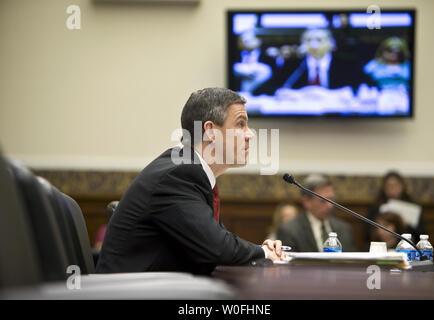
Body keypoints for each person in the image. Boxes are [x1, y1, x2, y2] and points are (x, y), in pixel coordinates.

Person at [96, 88, 285, 275]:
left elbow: (214, 240)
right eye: (240, 124)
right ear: (211, 131)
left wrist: (259, 249)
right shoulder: (177, 174)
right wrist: (262, 252)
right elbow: (216, 247)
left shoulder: (188, 168)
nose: (249, 134)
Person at [276, 174, 355, 252]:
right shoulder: (289, 230)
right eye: (323, 200)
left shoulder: (344, 228)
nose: (330, 205)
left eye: (331, 199)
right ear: (306, 201)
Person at [367, 170, 426, 245]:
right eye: (388, 186)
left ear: (402, 187)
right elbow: (368, 232)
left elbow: (421, 234)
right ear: (384, 188)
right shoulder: (376, 207)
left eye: (395, 185)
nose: (391, 189)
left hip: (407, 245)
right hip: (381, 245)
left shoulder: (412, 208)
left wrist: (405, 225)